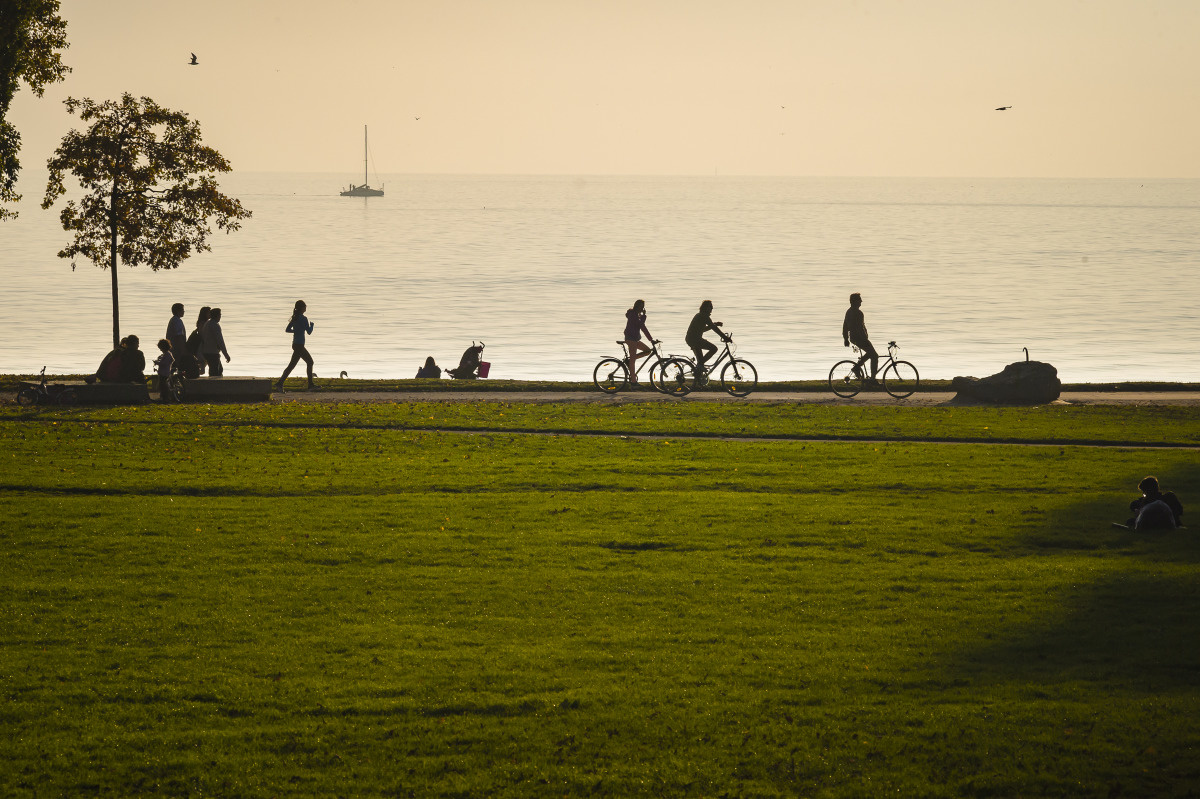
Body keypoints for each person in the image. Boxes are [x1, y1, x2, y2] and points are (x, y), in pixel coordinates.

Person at [277, 300, 315, 392]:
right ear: (302, 308)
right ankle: (310, 385)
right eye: (305, 306)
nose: (306, 307)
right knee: (310, 362)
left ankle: (279, 383)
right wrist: (312, 326)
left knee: (291, 365)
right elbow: (309, 332)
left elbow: (287, 329)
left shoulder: (294, 318)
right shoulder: (304, 318)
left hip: (295, 344)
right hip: (300, 345)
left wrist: (295, 331)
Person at [842, 292, 878, 382]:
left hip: (854, 338)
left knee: (870, 353)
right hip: (859, 338)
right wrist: (865, 339)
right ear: (854, 301)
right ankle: (873, 378)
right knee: (874, 356)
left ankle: (857, 368)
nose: (861, 301)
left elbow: (845, 326)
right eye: (859, 300)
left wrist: (846, 339)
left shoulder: (849, 311)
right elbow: (860, 328)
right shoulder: (858, 313)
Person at [686, 300, 727, 379]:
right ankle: (699, 367)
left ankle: (698, 376)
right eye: (710, 306)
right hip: (695, 340)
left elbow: (703, 329)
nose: (712, 308)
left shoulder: (700, 315)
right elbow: (714, 328)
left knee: (700, 362)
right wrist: (724, 337)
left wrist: (715, 324)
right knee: (714, 349)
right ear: (705, 308)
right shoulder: (704, 316)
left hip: (692, 339)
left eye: (712, 307)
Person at [623, 299, 655, 385]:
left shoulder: (637, 316)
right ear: (636, 306)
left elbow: (643, 328)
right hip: (630, 339)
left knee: (648, 351)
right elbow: (640, 325)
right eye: (640, 307)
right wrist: (644, 316)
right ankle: (633, 382)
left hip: (635, 339)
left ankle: (629, 360)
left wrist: (651, 339)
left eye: (643, 307)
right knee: (633, 361)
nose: (642, 308)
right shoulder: (633, 314)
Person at [165, 302, 195, 379]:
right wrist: (183, 350)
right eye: (182, 310)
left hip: (173, 349)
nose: (183, 312)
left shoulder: (173, 320)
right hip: (176, 349)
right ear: (178, 311)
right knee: (178, 367)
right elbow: (179, 337)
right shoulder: (177, 321)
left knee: (174, 368)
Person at [201, 308, 230, 376]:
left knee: (217, 369)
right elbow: (220, 341)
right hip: (212, 352)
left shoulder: (207, 323)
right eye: (220, 315)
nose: (220, 316)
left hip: (206, 351)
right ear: (217, 315)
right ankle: (214, 385)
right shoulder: (215, 325)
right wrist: (226, 355)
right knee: (215, 371)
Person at [187, 306, 210, 376]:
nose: (210, 314)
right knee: (202, 362)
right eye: (209, 312)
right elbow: (202, 334)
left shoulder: (205, 322)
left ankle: (194, 374)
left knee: (203, 364)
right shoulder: (202, 322)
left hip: (204, 344)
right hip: (202, 345)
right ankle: (192, 374)